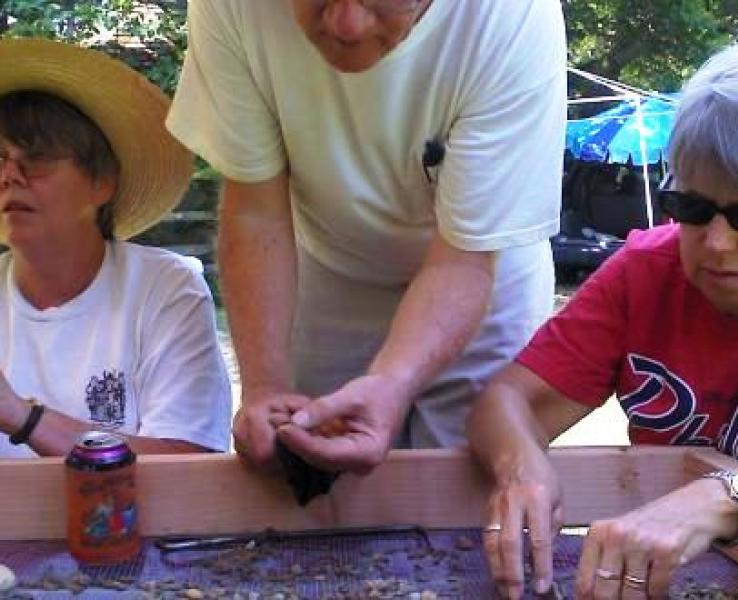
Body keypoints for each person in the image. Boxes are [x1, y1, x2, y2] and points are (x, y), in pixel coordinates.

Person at [166, 0, 567, 473]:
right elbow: (256, 212)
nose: (348, 25)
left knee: (457, 489)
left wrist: (392, 382)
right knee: (310, 478)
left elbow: (462, 259)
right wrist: (265, 387)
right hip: (328, 271)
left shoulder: (512, 16)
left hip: (485, 280)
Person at [468, 35, 738, 599]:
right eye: (692, 208)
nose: (717, 242)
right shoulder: (646, 272)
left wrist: (718, 498)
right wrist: (521, 466)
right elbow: (507, 402)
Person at [0, 38, 232, 458]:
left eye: (37, 158)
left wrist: (23, 417)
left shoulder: (165, 288)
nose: (10, 176)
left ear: (102, 183)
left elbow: (185, 462)